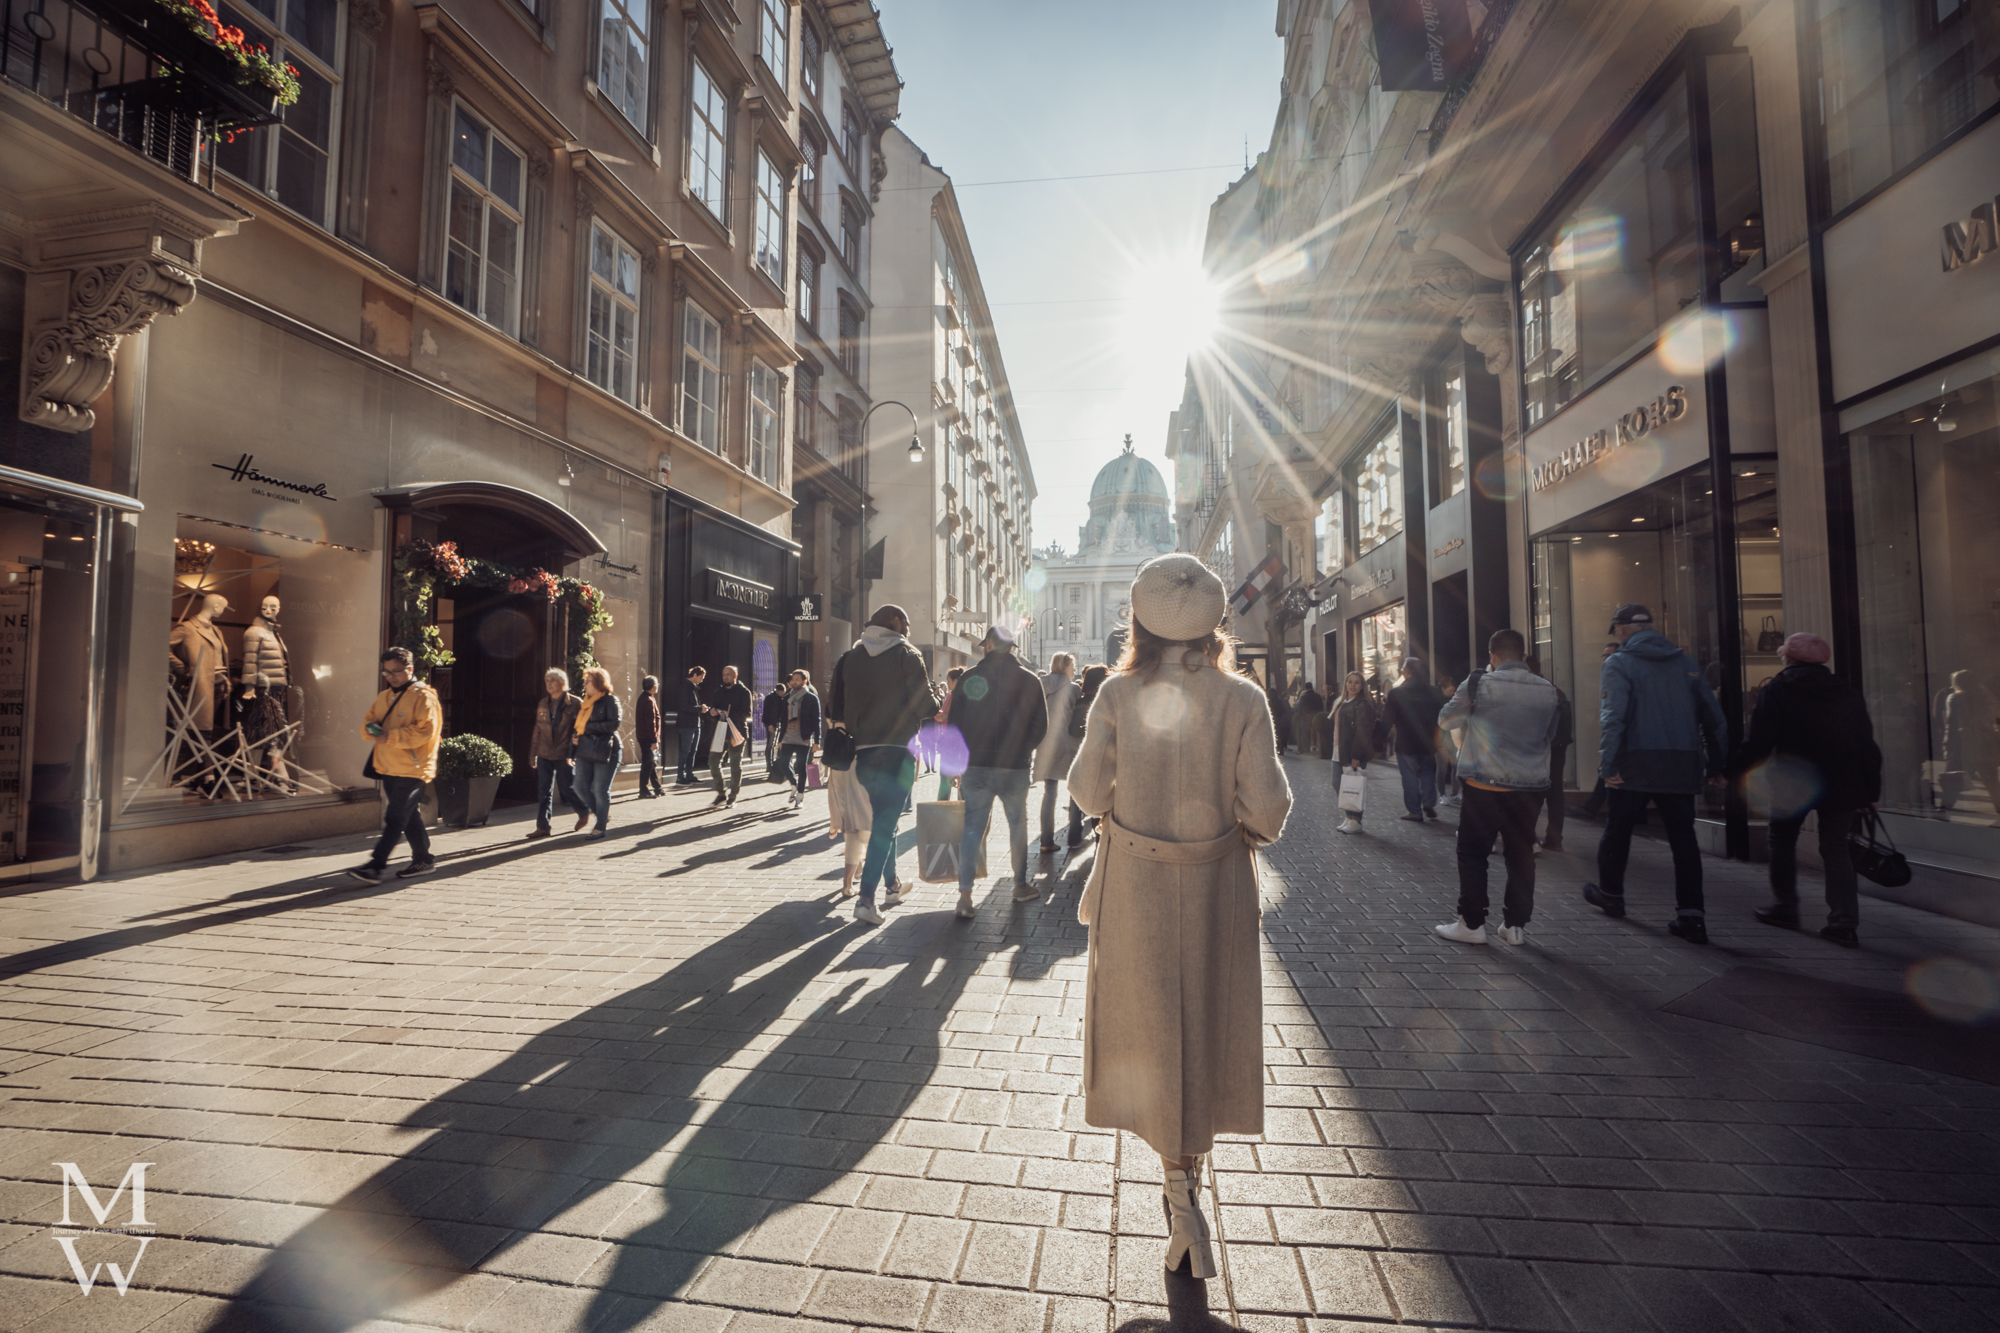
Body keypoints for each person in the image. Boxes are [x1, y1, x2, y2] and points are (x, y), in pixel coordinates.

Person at [1067, 553, 1292, 1285]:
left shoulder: (1115, 694)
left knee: (1148, 1028)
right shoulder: (1242, 698)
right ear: (1214, 622)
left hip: (1135, 886)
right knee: (1205, 1024)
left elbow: (1086, 791)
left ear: (1138, 619)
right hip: (1217, 889)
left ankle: (1176, 1190)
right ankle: (1187, 1182)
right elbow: (1269, 809)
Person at [1581, 604, 1728, 944]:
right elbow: (1714, 719)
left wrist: (1609, 765)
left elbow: (1613, 718)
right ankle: (1692, 916)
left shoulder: (1618, 663)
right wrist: (1717, 765)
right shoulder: (1686, 663)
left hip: (1635, 763)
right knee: (1684, 842)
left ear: (1621, 630)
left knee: (1617, 832)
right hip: (1681, 763)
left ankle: (1612, 896)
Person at [1726, 633, 1882, 947]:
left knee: (1781, 840)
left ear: (1788, 658)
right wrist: (1871, 790)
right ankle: (1843, 922)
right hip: (1843, 781)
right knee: (1836, 849)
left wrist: (1730, 772)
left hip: (1792, 782)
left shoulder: (1777, 690)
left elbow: (1758, 741)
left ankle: (1785, 908)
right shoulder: (1846, 691)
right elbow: (1866, 744)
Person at [1434, 630, 1560, 947]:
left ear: (1493, 656)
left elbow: (1446, 720)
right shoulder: (1548, 690)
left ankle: (1472, 923)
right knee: (1521, 857)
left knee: (1473, 853)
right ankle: (1515, 925)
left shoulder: (1480, 683)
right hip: (1530, 787)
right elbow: (1552, 734)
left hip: (1484, 784)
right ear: (1523, 654)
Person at [826, 605, 941, 925]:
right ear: (894, 622)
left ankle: (891, 886)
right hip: (897, 753)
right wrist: (936, 702)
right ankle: (865, 900)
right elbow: (924, 705)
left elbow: (833, 703)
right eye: (906, 622)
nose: (908, 629)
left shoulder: (851, 657)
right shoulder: (907, 655)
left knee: (883, 820)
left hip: (862, 753)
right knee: (884, 824)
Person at [948, 624, 1049, 915]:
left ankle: (965, 896)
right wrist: (1022, 750)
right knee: (1017, 824)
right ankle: (1019, 886)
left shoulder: (969, 677)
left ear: (989, 645)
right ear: (1012, 648)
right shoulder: (1029, 680)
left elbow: (953, 726)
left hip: (975, 765)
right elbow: (1040, 726)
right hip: (1014, 767)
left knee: (972, 828)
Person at [349, 648, 441, 883]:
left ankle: (375, 866)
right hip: (388, 767)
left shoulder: (423, 696)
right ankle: (424, 860)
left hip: (414, 768)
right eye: (387, 672)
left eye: (396, 671)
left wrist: (389, 736)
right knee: (409, 817)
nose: (391, 676)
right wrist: (371, 730)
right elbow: (366, 725)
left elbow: (426, 732)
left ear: (410, 669)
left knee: (395, 818)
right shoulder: (384, 697)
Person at [526, 668, 589, 839]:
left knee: (567, 788)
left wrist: (577, 752)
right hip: (545, 753)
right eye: (547, 680)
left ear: (563, 683)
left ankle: (583, 811)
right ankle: (543, 827)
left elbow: (582, 729)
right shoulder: (542, 703)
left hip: (564, 753)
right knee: (543, 791)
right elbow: (537, 730)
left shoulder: (575, 703)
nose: (549, 683)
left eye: (553, 680)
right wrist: (533, 754)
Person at [825, 759, 901, 899]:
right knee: (874, 832)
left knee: (853, 831)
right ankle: (888, 887)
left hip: (841, 769)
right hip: (863, 771)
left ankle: (848, 884)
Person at [1383, 658, 1445, 822]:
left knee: (1410, 775)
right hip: (1427, 741)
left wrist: (1377, 738)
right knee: (1427, 772)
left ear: (1407, 672)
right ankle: (1429, 802)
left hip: (1405, 742)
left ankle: (1414, 811)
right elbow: (1442, 716)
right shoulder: (1434, 692)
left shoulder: (1397, 693)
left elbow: (1387, 720)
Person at [1526, 656, 1574, 851]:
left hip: (1541, 748)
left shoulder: (1534, 691)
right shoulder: (1556, 690)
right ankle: (1554, 839)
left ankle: (1530, 836)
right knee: (1555, 793)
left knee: (1534, 791)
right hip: (1559, 748)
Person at [1034, 652, 1079, 853]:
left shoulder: (1039, 684)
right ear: (1066, 667)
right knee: (1074, 789)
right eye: (1072, 666)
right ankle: (1075, 836)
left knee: (1049, 792)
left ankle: (1046, 840)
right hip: (1068, 744)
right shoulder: (1074, 689)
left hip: (1045, 742)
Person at [571, 666, 622, 839]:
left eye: (588, 681)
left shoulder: (610, 701)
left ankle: (600, 827)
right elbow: (578, 728)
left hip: (607, 750)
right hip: (586, 749)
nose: (584, 684)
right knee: (579, 786)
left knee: (600, 790)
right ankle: (602, 815)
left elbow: (613, 725)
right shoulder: (585, 703)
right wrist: (576, 739)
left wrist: (587, 729)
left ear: (599, 683)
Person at [1942, 670, 2000, 820]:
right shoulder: (1987, 697)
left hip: (1965, 742)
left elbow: (1952, 725)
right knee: (1990, 779)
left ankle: (1945, 808)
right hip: (1987, 742)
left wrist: (1947, 747)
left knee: (1954, 776)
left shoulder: (1955, 697)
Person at [1066, 664, 1109, 847]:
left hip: (1080, 754)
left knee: (1077, 795)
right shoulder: (1106, 702)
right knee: (1100, 794)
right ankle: (1099, 838)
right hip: (1101, 756)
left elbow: (1073, 730)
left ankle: (1074, 835)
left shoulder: (1081, 701)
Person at [1329, 670, 1377, 834]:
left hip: (1352, 752)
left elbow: (1362, 732)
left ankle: (1356, 820)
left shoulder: (1362, 704)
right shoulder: (1341, 701)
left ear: (1362, 685)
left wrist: (1356, 756)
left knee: (1354, 784)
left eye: (1357, 682)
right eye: (1350, 682)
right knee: (1338, 783)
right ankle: (1349, 817)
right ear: (1345, 684)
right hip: (1339, 750)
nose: (1353, 685)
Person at [703, 664, 754, 808]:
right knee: (713, 763)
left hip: (737, 732)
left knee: (735, 765)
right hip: (720, 731)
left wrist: (728, 713)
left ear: (735, 676)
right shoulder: (718, 692)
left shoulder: (744, 692)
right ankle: (721, 793)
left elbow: (747, 714)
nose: (725, 677)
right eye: (724, 674)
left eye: (728, 675)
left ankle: (733, 797)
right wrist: (713, 713)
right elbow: (713, 712)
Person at [773, 668, 822, 809]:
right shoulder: (787, 698)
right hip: (788, 736)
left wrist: (817, 741)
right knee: (782, 762)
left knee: (801, 767)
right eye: (793, 679)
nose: (793, 682)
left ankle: (800, 796)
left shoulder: (811, 698)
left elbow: (816, 720)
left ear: (804, 681)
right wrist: (780, 739)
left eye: (797, 680)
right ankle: (793, 784)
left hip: (804, 738)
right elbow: (783, 720)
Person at [675, 667, 707, 785]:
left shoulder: (694, 688)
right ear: (694, 674)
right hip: (686, 724)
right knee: (685, 751)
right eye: (700, 677)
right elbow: (684, 706)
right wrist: (700, 708)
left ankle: (689, 774)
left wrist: (700, 707)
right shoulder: (684, 687)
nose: (701, 680)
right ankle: (680, 776)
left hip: (695, 724)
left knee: (693, 751)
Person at [635, 675, 664, 799]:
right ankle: (643, 790)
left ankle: (657, 787)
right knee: (648, 763)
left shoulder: (645, 698)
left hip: (644, 736)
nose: (658, 686)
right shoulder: (648, 700)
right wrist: (654, 740)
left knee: (652, 762)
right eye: (657, 684)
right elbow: (651, 722)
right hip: (648, 738)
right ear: (653, 686)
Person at [1294, 682, 1326, 761]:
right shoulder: (1318, 696)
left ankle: (1306, 749)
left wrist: (1301, 716)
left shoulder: (1304, 697)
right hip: (1316, 716)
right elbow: (1321, 707)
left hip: (1306, 718)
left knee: (1306, 733)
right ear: (1312, 687)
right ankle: (1316, 746)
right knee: (1316, 732)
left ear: (1306, 688)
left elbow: (1301, 708)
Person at [761, 682, 788, 775]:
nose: (783, 694)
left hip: (777, 723)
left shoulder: (780, 699)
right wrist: (769, 724)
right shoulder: (770, 698)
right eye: (782, 692)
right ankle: (769, 764)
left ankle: (773, 764)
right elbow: (768, 713)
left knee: (774, 744)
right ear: (778, 691)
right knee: (770, 744)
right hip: (771, 724)